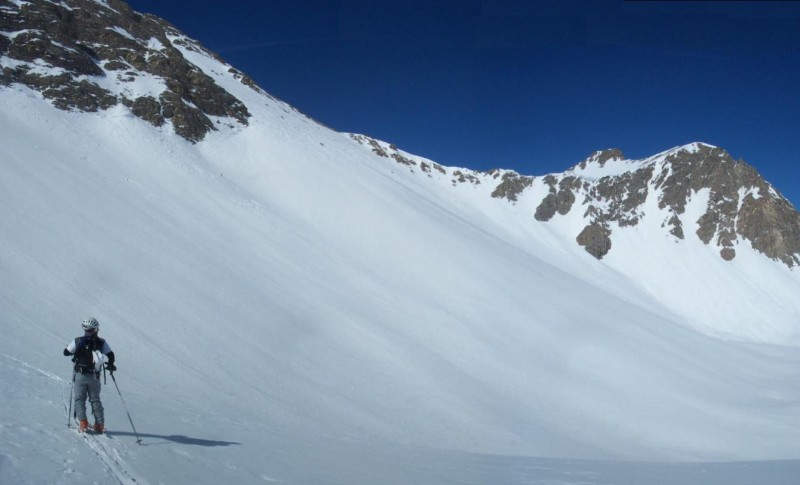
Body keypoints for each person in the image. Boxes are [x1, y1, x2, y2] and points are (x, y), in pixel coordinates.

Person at [63, 317, 116, 433]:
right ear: (96, 329)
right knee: (95, 399)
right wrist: (111, 364)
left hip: (80, 374)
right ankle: (99, 424)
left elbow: (66, 352)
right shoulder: (101, 342)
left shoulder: (77, 340)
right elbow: (111, 354)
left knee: (80, 399)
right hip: (94, 376)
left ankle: (83, 423)